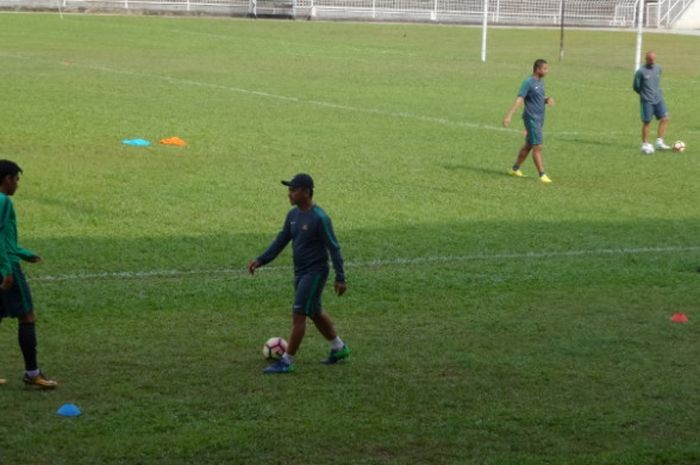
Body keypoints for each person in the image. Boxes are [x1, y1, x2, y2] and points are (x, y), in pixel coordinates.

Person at [248, 173, 350, 374]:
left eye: (293, 190)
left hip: (315, 272)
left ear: (306, 192)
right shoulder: (293, 216)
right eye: (289, 190)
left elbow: (334, 248)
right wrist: (261, 260)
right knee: (314, 311)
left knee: (299, 313)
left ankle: (287, 360)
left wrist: (340, 277)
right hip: (300, 272)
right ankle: (339, 348)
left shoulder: (320, 218)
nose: (289, 194)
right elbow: (281, 240)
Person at [0, 160, 57, 389]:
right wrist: (6, 269)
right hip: (6, 265)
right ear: (6, 179)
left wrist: (24, 253)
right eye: (16, 179)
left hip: (6, 259)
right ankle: (32, 373)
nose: (17, 185)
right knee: (27, 316)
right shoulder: (3, 201)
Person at [503, 58, 555, 184]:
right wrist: (509, 116)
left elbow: (537, 97)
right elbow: (520, 99)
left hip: (539, 118)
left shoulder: (540, 82)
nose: (547, 71)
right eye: (545, 69)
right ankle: (542, 174)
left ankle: (514, 169)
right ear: (537, 69)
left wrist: (546, 99)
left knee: (529, 145)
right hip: (532, 118)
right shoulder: (528, 82)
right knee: (538, 146)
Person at [634, 51, 670, 154]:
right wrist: (644, 94)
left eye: (654, 59)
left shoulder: (658, 68)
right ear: (646, 59)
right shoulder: (640, 72)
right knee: (647, 122)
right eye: (650, 60)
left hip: (658, 99)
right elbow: (636, 86)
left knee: (665, 118)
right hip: (647, 101)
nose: (652, 62)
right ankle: (645, 144)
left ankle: (659, 142)